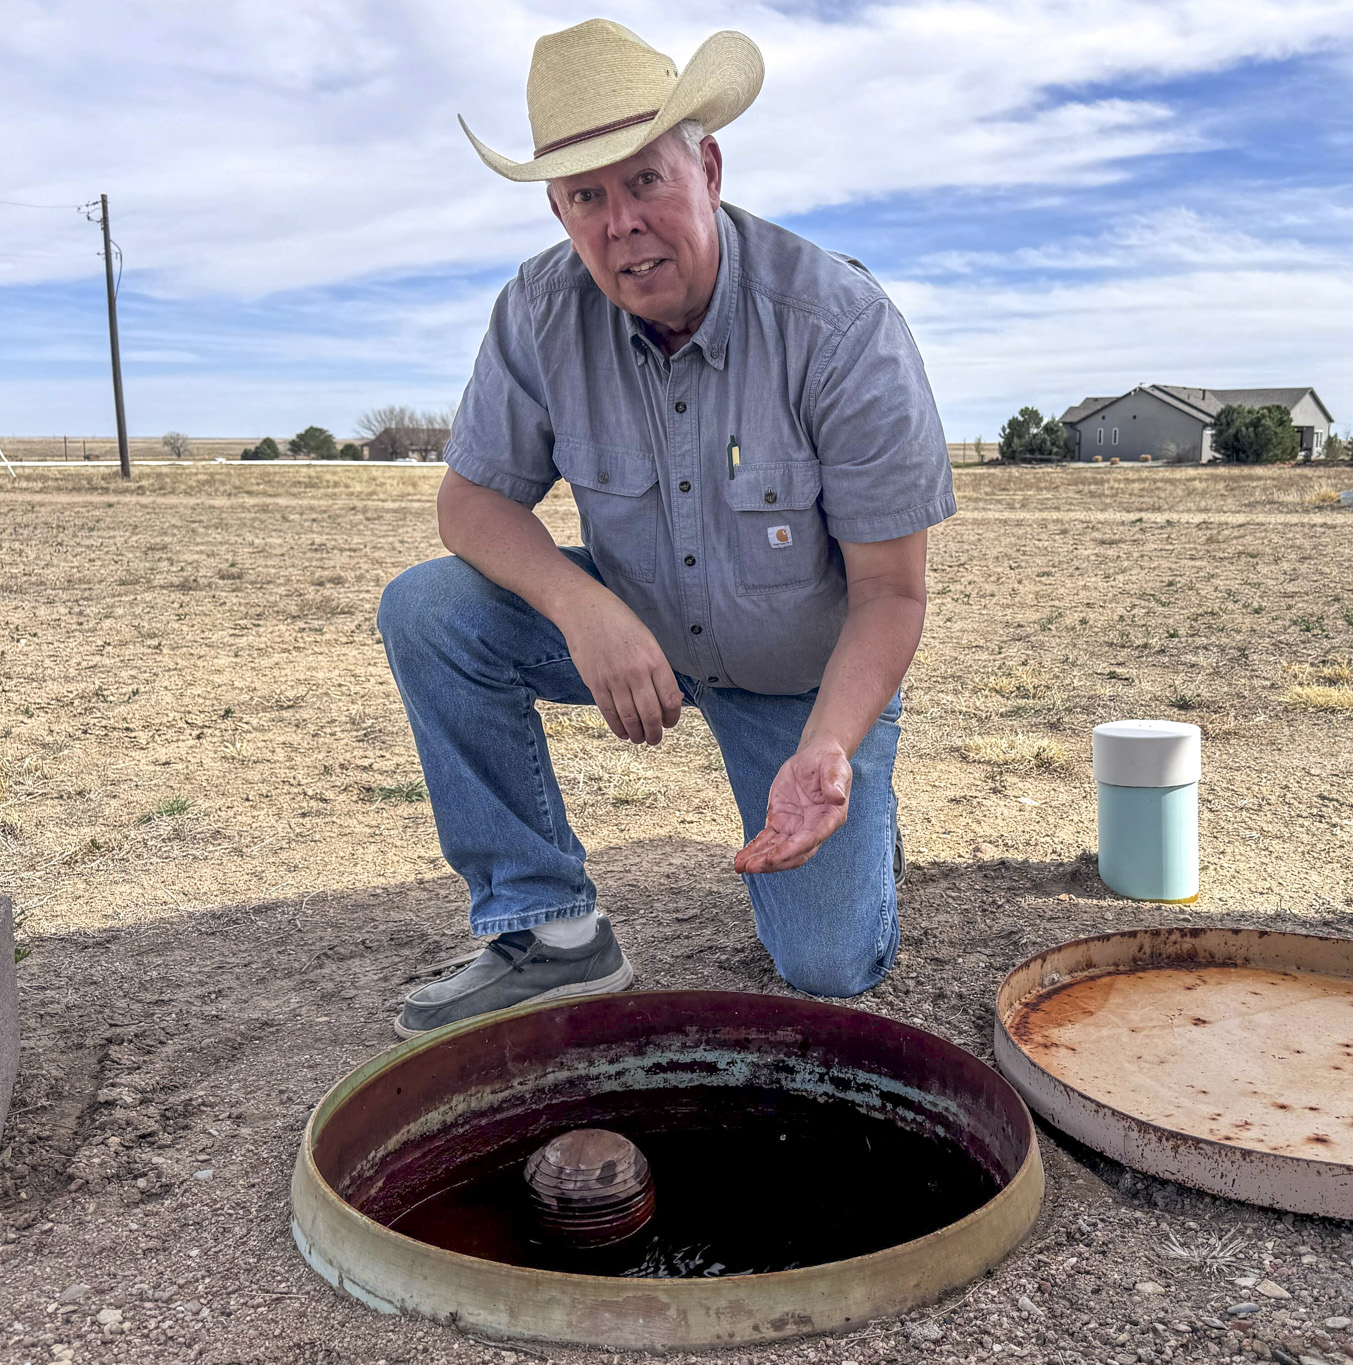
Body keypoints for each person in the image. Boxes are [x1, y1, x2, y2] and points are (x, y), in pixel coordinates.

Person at [377, 19, 954, 1037]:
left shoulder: (840, 326)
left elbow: (889, 593)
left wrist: (826, 748)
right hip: (637, 630)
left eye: (642, 181)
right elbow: (468, 503)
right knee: (429, 610)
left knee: (827, 969)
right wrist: (581, 606)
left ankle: (860, 801)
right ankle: (548, 930)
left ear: (709, 166)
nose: (619, 224)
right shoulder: (538, 312)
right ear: (558, 213)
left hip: (804, 683)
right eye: (583, 198)